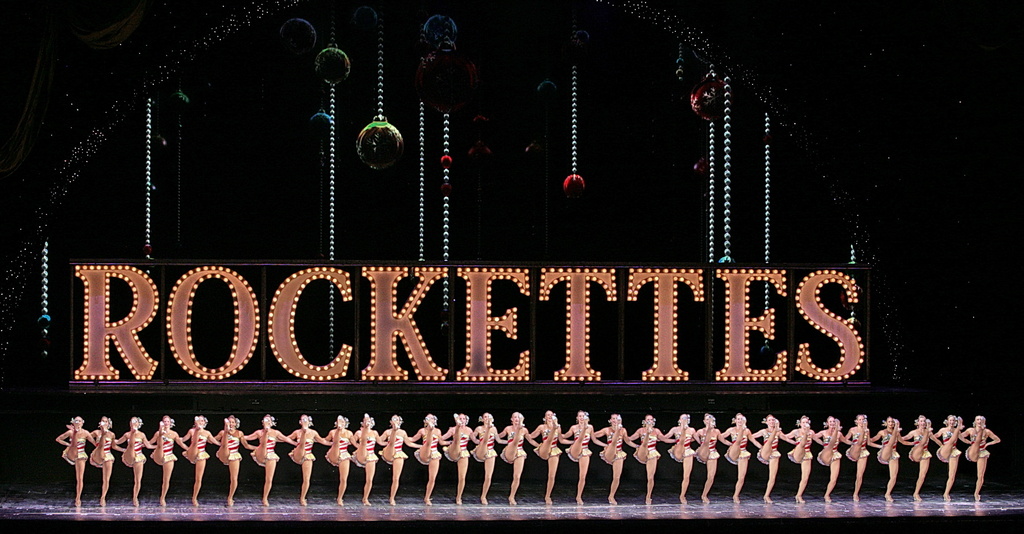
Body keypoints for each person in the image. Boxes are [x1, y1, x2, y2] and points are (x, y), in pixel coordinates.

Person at [244, 414, 297, 506]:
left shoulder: (276, 433)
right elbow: (246, 437)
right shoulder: (258, 432)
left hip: (270, 454)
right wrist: (236, 435)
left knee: (269, 479)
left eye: (268, 421)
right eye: (265, 420)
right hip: (261, 452)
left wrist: (298, 444)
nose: (266, 422)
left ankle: (265, 498)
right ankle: (265, 435)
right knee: (263, 445)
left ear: (272, 423)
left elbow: (287, 439)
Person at [626, 414, 672, 505]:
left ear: (653, 421)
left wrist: (677, 441)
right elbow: (629, 439)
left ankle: (648, 496)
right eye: (648, 419)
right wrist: (622, 435)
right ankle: (646, 437)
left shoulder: (656, 431)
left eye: (651, 419)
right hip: (642, 451)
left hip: (652, 452)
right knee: (644, 445)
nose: (649, 421)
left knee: (650, 477)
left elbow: (665, 439)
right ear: (644, 421)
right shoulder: (640, 430)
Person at [718, 413, 762, 503]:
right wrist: (729, 444)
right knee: (737, 443)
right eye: (738, 419)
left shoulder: (747, 431)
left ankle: (736, 495)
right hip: (733, 451)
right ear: (735, 420)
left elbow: (753, 441)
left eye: (741, 419)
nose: (740, 421)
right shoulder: (731, 429)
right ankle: (735, 444)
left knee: (741, 477)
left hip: (743, 452)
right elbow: (720, 437)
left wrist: (762, 448)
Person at [178, 415, 220, 506]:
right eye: (199, 421)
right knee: (194, 444)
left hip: (201, 454)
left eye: (202, 421)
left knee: (199, 478)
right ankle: (189, 451)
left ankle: (194, 498)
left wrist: (224, 445)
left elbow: (215, 442)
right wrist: (182, 445)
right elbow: (183, 439)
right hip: (192, 451)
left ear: (205, 423)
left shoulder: (207, 433)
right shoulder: (191, 431)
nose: (201, 422)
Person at [961, 415, 1001, 501]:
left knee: (980, 475)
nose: (979, 421)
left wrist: (988, 444)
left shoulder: (987, 431)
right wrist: (966, 441)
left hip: (982, 452)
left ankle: (976, 493)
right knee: (976, 444)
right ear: (975, 422)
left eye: (981, 420)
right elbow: (960, 436)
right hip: (973, 451)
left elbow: (997, 439)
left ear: (984, 422)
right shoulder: (970, 430)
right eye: (978, 420)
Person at [558, 410, 595, 504]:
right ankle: (579, 439)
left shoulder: (590, 427)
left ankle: (579, 496)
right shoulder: (574, 428)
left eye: (583, 416)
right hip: (575, 449)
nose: (581, 418)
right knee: (578, 440)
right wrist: (557, 431)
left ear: (586, 418)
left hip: (585, 450)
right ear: (577, 418)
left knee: (582, 476)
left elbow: (594, 440)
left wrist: (605, 445)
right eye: (580, 416)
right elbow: (563, 437)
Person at [590, 414, 629, 504]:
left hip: (618, 453)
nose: (615, 420)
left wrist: (638, 446)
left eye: (617, 419)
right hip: (609, 452)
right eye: (613, 419)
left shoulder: (623, 430)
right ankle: (612, 444)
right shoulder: (606, 430)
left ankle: (611, 496)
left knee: (616, 477)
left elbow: (628, 441)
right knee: (613, 443)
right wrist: (604, 445)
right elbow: (594, 436)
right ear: (610, 421)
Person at [286, 414, 324, 506]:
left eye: (306, 419)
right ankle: (301, 443)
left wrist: (334, 443)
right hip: (298, 453)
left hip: (307, 455)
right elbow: (286, 438)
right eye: (302, 420)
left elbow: (323, 441)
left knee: (306, 478)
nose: (304, 421)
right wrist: (294, 443)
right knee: (301, 445)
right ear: (300, 422)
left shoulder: (313, 433)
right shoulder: (297, 432)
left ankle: (303, 498)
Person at [526, 410, 563, 504]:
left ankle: (548, 496)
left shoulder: (558, 428)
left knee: (551, 475)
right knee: (548, 441)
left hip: (554, 450)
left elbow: (562, 440)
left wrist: (573, 442)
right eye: (548, 415)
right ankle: (545, 444)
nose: (550, 416)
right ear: (545, 417)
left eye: (551, 415)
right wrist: (537, 445)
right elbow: (530, 436)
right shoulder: (541, 427)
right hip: (544, 449)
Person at [407, 413, 444, 505]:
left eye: (432, 418)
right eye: (429, 418)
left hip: (434, 453)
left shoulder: (438, 431)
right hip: (425, 452)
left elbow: (441, 442)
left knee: (432, 478)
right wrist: (403, 436)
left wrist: (452, 442)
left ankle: (427, 498)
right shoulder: (422, 431)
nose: (431, 419)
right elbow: (412, 439)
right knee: (427, 443)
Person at [56, 416, 93, 507]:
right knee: (73, 444)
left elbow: (94, 443)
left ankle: (78, 498)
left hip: (80, 455)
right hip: (71, 452)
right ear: (73, 423)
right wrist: (67, 444)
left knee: (80, 478)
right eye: (76, 421)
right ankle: (69, 454)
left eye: (79, 421)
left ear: (82, 423)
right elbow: (58, 439)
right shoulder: (70, 432)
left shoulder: (86, 433)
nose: (78, 422)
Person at [377, 415, 414, 505]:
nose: (395, 421)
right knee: (391, 444)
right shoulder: (387, 432)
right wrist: (386, 443)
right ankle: (392, 440)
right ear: (391, 422)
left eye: (397, 419)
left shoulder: (403, 432)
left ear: (400, 421)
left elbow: (409, 443)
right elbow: (379, 441)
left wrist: (421, 446)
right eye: (393, 419)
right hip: (389, 451)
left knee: (396, 478)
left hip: (398, 453)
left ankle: (392, 498)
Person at [115, 416, 151, 506]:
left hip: (138, 456)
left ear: (139, 424)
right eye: (131, 421)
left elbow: (149, 446)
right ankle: (129, 449)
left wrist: (159, 446)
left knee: (138, 479)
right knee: (131, 446)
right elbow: (117, 442)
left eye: (135, 421)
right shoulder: (127, 434)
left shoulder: (142, 435)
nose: (133, 423)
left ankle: (135, 497)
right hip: (129, 455)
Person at [319, 415, 354, 505]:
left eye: (342, 422)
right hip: (334, 452)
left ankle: (340, 498)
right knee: (336, 444)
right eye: (339, 422)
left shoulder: (349, 433)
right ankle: (336, 445)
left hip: (344, 454)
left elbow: (355, 444)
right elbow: (325, 441)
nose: (341, 423)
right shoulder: (332, 432)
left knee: (343, 479)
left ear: (345, 423)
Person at [148, 415, 182, 506]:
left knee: (166, 479)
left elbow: (181, 444)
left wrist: (189, 450)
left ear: (171, 423)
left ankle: (162, 497)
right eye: (165, 421)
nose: (166, 423)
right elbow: (149, 443)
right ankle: (159, 446)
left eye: (168, 422)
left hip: (169, 456)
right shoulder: (157, 433)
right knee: (160, 439)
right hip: (159, 454)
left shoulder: (174, 434)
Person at [212, 415, 246, 506]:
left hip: (234, 455)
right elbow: (212, 440)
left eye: (232, 422)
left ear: (236, 424)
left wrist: (258, 448)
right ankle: (225, 436)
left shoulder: (239, 433)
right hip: (223, 452)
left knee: (234, 478)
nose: (231, 424)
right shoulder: (222, 432)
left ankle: (230, 497)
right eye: (229, 422)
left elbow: (246, 446)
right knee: (224, 444)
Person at [496, 412, 528, 505]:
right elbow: (498, 436)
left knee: (517, 476)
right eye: (515, 417)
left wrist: (540, 447)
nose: (516, 418)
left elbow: (531, 439)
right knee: (514, 443)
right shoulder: (508, 429)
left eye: (518, 417)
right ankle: (515, 437)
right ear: (512, 419)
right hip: (509, 451)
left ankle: (512, 496)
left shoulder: (525, 430)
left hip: (519, 451)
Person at [779, 415, 813, 503]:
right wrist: (792, 441)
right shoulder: (796, 431)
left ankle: (799, 495)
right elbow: (784, 437)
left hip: (806, 454)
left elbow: (819, 439)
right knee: (801, 444)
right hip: (798, 452)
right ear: (800, 424)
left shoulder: (812, 432)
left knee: (805, 477)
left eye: (806, 422)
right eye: (803, 422)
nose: (805, 424)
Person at [898, 415, 932, 501]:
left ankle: (916, 493)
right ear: (918, 422)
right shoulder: (914, 432)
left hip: (925, 452)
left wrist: (943, 447)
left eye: (924, 421)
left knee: (922, 475)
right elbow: (902, 439)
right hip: (916, 451)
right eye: (921, 421)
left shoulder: (929, 433)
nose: (923, 423)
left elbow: (937, 440)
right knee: (921, 444)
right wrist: (896, 433)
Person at [664, 414, 697, 504]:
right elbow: (665, 438)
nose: (684, 419)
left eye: (686, 418)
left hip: (687, 451)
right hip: (678, 449)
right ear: (679, 420)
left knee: (686, 476)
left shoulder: (692, 430)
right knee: (681, 442)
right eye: (683, 418)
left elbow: (697, 439)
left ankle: (682, 495)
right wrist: (674, 441)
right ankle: (682, 437)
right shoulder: (675, 429)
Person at [441, 413, 472, 504]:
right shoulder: (452, 429)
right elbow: (441, 439)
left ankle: (459, 497)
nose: (462, 420)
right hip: (453, 450)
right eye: (460, 418)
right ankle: (455, 443)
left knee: (462, 477)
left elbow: (476, 440)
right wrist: (449, 442)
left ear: (466, 421)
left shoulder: (469, 430)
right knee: (457, 441)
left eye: (463, 419)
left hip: (463, 452)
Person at [750, 414, 782, 503]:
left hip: (773, 453)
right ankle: (765, 446)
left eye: (773, 420)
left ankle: (767, 495)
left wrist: (797, 443)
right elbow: (751, 437)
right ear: (766, 422)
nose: (772, 422)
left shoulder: (779, 432)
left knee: (772, 476)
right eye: (770, 420)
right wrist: (759, 446)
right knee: (769, 442)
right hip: (765, 451)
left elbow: (787, 438)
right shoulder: (764, 431)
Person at [868, 416, 901, 502]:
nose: (891, 424)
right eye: (889, 422)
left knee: (893, 476)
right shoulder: (882, 432)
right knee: (889, 445)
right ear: (886, 423)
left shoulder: (897, 433)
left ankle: (888, 494)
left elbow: (903, 441)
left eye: (892, 422)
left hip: (893, 453)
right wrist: (880, 446)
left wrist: (915, 443)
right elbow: (870, 441)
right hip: (885, 453)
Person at [839, 414, 871, 502]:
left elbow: (869, 442)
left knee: (859, 475)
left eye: (863, 420)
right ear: (856, 421)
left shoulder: (867, 430)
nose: (861, 421)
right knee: (858, 444)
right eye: (859, 420)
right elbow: (845, 439)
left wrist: (881, 446)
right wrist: (851, 443)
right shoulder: (852, 430)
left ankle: (856, 493)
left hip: (862, 452)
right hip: (854, 450)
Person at [931, 415, 962, 501]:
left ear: (955, 422)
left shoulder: (957, 432)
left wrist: (974, 443)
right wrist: (940, 444)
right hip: (944, 450)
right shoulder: (943, 430)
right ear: (947, 421)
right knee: (951, 441)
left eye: (953, 421)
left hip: (953, 451)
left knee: (952, 475)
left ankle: (946, 493)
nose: (951, 422)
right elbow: (933, 436)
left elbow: (964, 439)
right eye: (950, 420)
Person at [471, 412, 500, 505]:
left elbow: (498, 440)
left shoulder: (494, 429)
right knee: (483, 442)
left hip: (490, 451)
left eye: (489, 417)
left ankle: (483, 496)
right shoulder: (479, 428)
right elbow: (472, 436)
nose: (487, 418)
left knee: (488, 476)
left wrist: (509, 442)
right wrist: (476, 441)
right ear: (482, 419)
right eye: (485, 417)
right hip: (481, 450)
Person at [352, 413, 380, 505]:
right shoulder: (359, 432)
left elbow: (381, 442)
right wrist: (358, 447)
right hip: (361, 453)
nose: (367, 423)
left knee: (369, 479)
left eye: (368, 421)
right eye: (365, 421)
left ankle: (365, 498)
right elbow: (351, 440)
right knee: (363, 443)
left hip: (371, 455)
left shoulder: (374, 433)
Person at [693, 413, 722, 503]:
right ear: (704, 421)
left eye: (710, 419)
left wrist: (732, 444)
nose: (708, 421)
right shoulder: (700, 431)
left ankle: (704, 495)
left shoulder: (717, 431)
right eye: (707, 419)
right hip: (703, 451)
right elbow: (692, 437)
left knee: (711, 476)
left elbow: (723, 439)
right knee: (705, 444)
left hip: (712, 453)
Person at [88, 416, 117, 506]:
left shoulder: (112, 434)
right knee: (100, 446)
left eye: (106, 421)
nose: (104, 423)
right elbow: (85, 436)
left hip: (107, 455)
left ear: (109, 424)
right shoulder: (96, 432)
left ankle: (103, 497)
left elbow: (114, 446)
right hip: (98, 454)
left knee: (106, 479)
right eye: (102, 421)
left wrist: (125, 450)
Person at [814, 416, 842, 503]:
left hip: (834, 454)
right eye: (830, 421)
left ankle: (827, 494)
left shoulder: (839, 434)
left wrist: (855, 444)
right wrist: (822, 443)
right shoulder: (823, 432)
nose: (832, 423)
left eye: (834, 421)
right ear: (827, 423)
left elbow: (846, 441)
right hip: (825, 454)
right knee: (830, 446)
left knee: (834, 478)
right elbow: (813, 436)